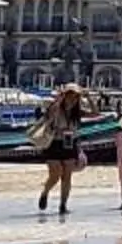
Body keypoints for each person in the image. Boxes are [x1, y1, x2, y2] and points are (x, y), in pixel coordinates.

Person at [33, 83, 90, 215]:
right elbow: (51, 112)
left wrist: (88, 97)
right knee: (55, 175)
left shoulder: (77, 112)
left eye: (75, 96)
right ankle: (45, 192)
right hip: (54, 142)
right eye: (69, 95)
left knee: (67, 176)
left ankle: (63, 205)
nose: (72, 99)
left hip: (70, 143)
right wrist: (60, 98)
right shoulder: (56, 107)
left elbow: (95, 113)